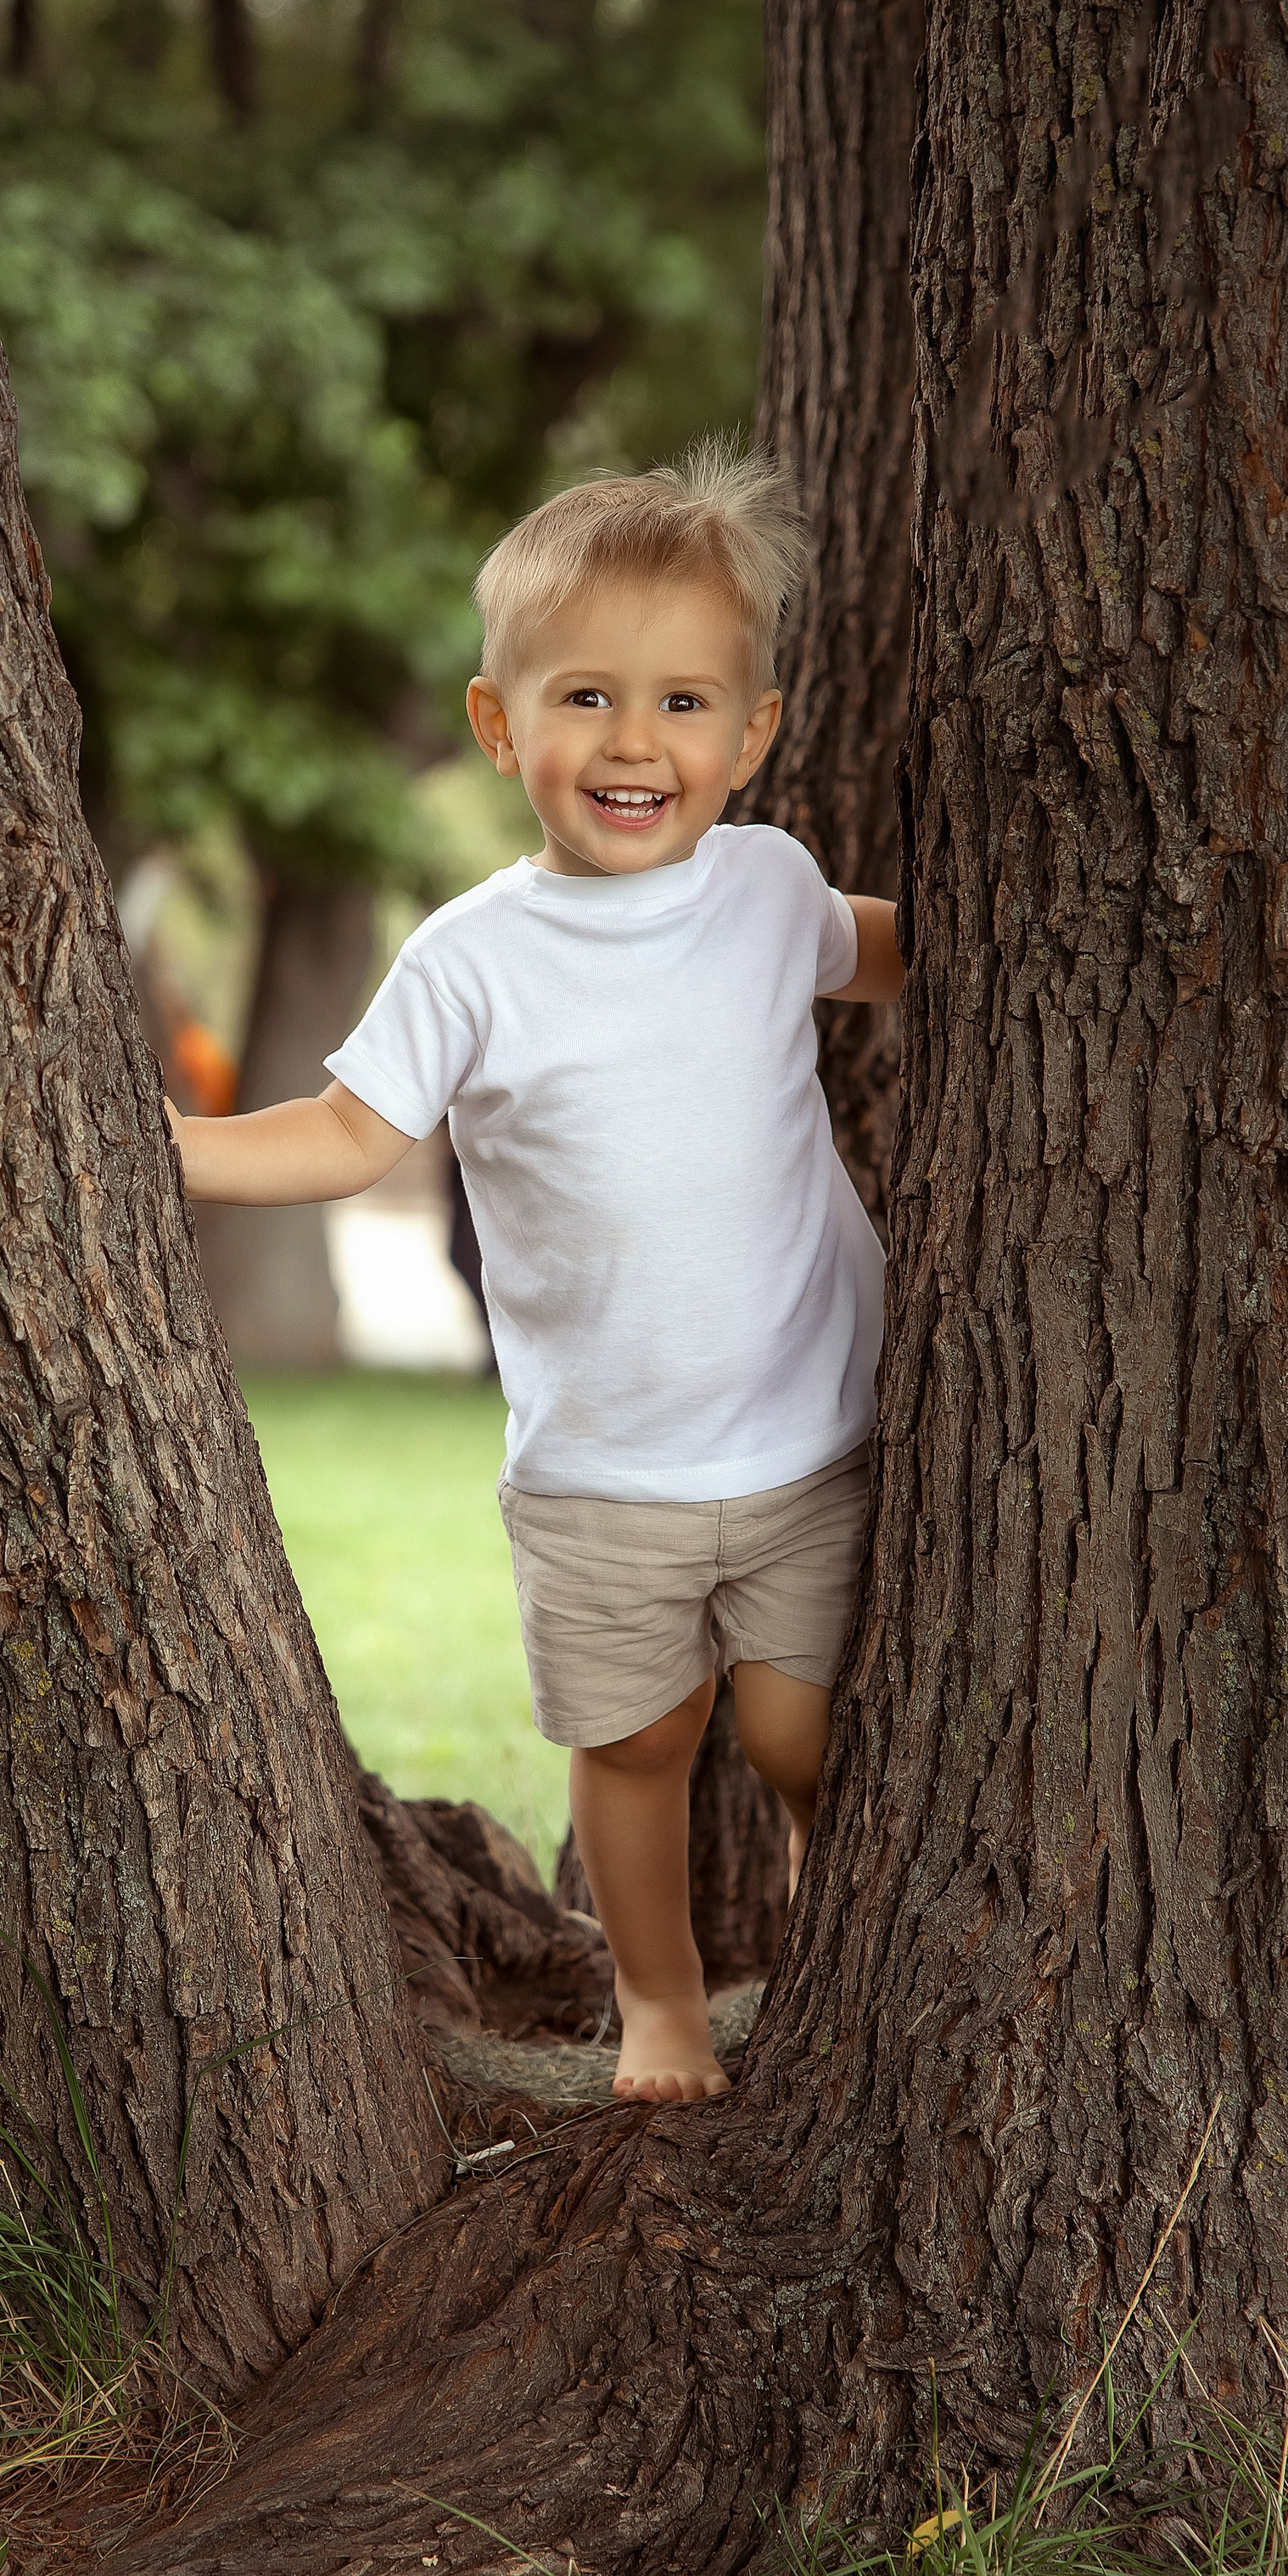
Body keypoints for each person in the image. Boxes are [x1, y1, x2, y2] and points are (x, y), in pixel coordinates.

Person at [165, 444, 904, 2103]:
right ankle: (657, 2001)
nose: (634, 742)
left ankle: (842, 1982)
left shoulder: (770, 892)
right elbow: (347, 1137)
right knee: (635, 1745)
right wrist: (173, 1145)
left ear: (751, 736)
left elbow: (909, 948)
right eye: (583, 696)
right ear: (499, 730)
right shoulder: (471, 957)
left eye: (682, 703)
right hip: (599, 1468)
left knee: (802, 1740)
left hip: (806, 1432)